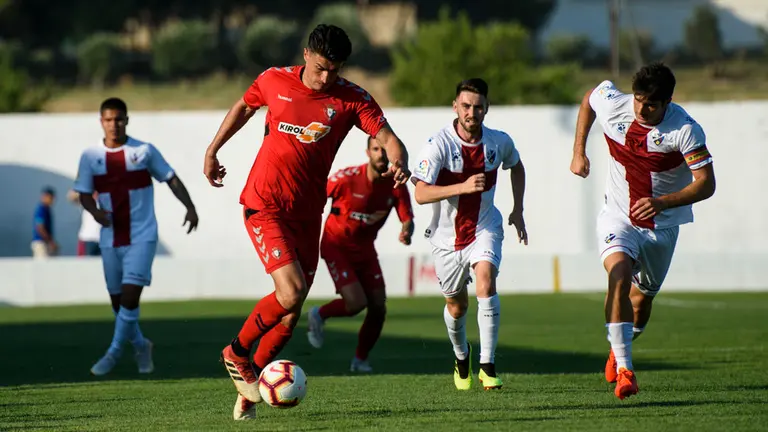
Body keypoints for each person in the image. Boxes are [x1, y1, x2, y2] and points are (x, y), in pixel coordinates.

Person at [202, 24, 411, 420]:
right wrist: (213, 150)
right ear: (305, 55)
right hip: (264, 204)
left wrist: (398, 157)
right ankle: (237, 352)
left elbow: (387, 135)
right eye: (320, 68)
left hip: (306, 215)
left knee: (290, 314)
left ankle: (248, 394)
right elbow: (244, 107)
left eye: (334, 69)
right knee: (293, 290)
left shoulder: (351, 99)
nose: (326, 77)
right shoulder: (273, 80)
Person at [569, 62, 716, 400]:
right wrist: (579, 152)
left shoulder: (685, 130)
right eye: (638, 99)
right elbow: (589, 99)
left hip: (661, 227)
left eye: (651, 104)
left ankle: (616, 349)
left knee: (641, 302)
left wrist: (663, 202)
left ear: (667, 102)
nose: (641, 108)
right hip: (617, 216)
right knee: (618, 275)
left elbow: (706, 184)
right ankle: (625, 369)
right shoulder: (615, 103)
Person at [410, 78, 528, 391]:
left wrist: (518, 210)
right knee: (457, 306)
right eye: (466, 106)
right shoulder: (438, 145)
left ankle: (487, 366)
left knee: (486, 281)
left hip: (484, 227)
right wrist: (461, 187)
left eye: (478, 107)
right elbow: (420, 193)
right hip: (446, 240)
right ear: (455, 107)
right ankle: (462, 356)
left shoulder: (498, 142)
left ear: (486, 109)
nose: (471, 112)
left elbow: (516, 166)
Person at [73, 97, 199, 376]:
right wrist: (95, 212)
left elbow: (171, 178)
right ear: (101, 122)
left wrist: (190, 207)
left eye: (118, 119)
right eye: (108, 119)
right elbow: (83, 192)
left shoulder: (143, 151)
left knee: (130, 297)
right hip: (110, 238)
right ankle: (142, 345)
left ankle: (113, 353)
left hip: (142, 236)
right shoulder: (90, 157)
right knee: (118, 303)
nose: (114, 124)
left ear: (127, 120)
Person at [306, 135, 415, 372]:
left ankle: (360, 360)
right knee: (356, 303)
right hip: (336, 245)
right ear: (368, 153)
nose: (381, 154)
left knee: (378, 307)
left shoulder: (396, 184)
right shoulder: (346, 178)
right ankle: (319, 314)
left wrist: (406, 231)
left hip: (366, 250)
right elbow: (315, 196)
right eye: (376, 149)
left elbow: (408, 219)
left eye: (384, 149)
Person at [68, 189, 102, 256]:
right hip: (87, 239)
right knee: (86, 264)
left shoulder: (104, 203)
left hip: (100, 240)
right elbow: (71, 196)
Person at [31, 187, 57, 258]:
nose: (52, 200)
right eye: (51, 198)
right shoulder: (41, 209)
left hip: (45, 242)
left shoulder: (47, 209)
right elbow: (40, 227)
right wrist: (50, 241)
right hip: (41, 243)